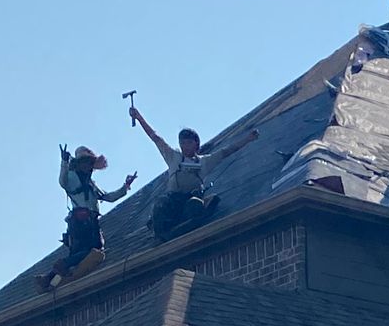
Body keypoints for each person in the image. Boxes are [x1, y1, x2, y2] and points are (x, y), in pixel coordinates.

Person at [128, 105, 255, 241]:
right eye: (182, 143)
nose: (185, 146)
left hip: (189, 200)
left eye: (188, 142)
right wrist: (139, 117)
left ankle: (185, 228)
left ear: (196, 144)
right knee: (160, 203)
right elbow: (156, 138)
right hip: (173, 201)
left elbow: (226, 151)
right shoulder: (174, 157)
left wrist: (248, 139)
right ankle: (162, 235)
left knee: (195, 204)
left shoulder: (204, 162)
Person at [42, 144, 135, 287]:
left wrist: (125, 186)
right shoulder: (72, 177)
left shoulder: (91, 184)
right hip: (81, 223)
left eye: (90, 163)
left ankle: (49, 279)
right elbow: (62, 182)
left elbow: (108, 197)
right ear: (79, 164)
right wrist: (64, 163)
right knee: (94, 248)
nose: (88, 166)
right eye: (85, 162)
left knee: (78, 256)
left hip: (88, 222)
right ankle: (61, 267)